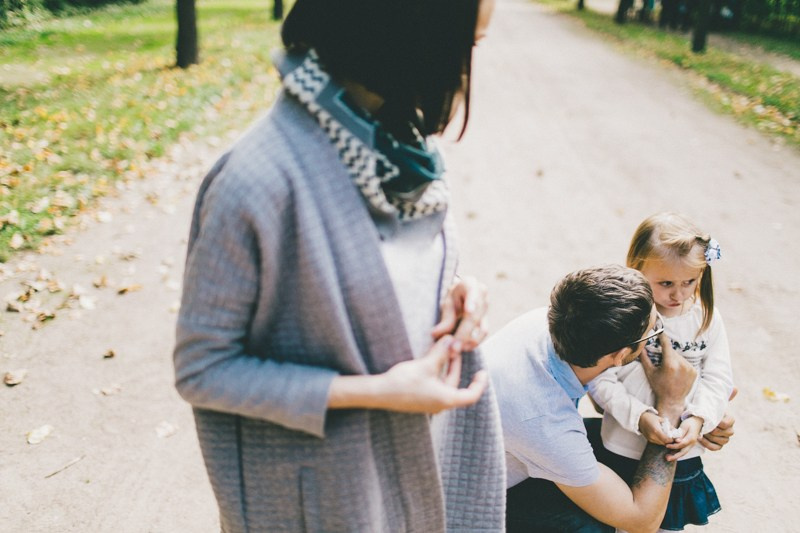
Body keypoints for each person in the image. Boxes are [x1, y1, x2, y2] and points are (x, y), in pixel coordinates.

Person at [172, 1, 505, 532]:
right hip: (329, 498)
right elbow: (202, 370)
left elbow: (389, 271)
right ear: (407, 33)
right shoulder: (254, 181)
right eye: (469, 45)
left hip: (412, 467)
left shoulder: (396, 146)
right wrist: (375, 393)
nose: (467, 69)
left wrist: (461, 290)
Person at [485, 264, 734, 533]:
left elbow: (602, 396)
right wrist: (672, 404)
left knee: (623, 443)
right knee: (596, 527)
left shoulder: (553, 323)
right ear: (619, 356)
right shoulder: (545, 423)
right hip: (467, 509)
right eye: (654, 332)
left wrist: (701, 415)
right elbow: (643, 520)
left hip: (496, 450)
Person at [588, 213, 733, 531]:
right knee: (618, 519)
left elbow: (718, 379)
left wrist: (698, 420)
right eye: (665, 283)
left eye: (689, 282)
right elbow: (600, 378)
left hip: (679, 453)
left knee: (664, 523)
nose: (678, 295)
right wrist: (639, 416)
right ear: (637, 268)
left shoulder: (706, 319)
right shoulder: (625, 314)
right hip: (622, 446)